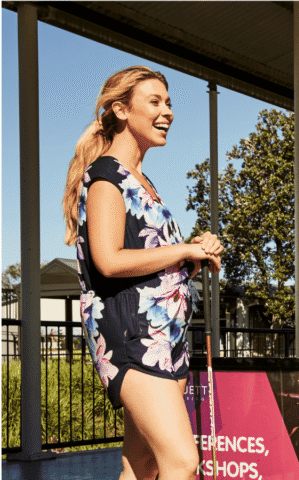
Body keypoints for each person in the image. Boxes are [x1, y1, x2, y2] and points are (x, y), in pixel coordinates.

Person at [63, 66, 223, 480]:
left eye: (168, 102)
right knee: (182, 462)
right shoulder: (105, 177)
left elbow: (154, 259)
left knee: (142, 466)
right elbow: (109, 260)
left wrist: (195, 252)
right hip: (133, 337)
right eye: (154, 102)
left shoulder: (142, 180)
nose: (167, 111)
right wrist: (184, 248)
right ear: (121, 109)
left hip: (165, 338)